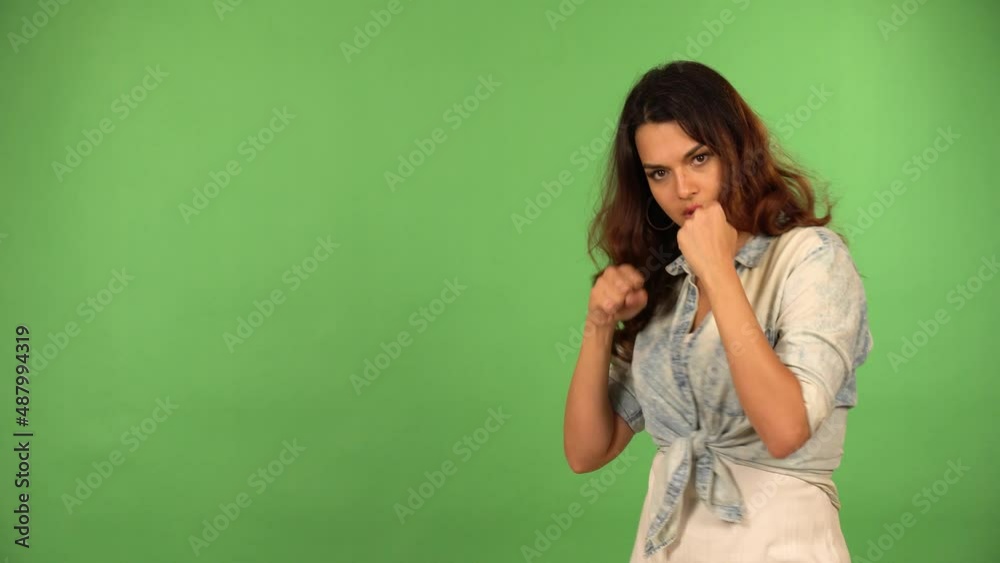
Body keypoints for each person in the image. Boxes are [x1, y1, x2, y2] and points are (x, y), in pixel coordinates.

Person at [562, 60, 874, 562]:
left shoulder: (812, 258)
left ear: (737, 149)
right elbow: (586, 452)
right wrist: (599, 327)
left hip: (779, 542)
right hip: (668, 544)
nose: (682, 189)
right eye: (659, 173)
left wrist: (720, 273)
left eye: (699, 158)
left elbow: (785, 429)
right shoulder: (665, 283)